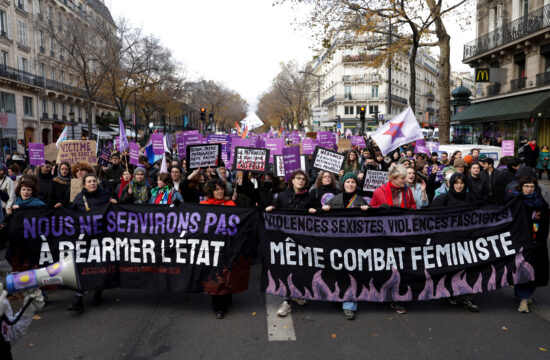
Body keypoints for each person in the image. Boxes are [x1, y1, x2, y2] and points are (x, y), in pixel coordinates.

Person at [265, 170, 316, 317]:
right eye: (298, 178)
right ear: (292, 181)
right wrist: (272, 208)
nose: (301, 181)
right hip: (284, 239)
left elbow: (317, 211)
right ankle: (286, 301)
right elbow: (274, 206)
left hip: (302, 240)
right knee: (286, 268)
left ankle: (298, 293)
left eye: (303, 180)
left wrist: (314, 210)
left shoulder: (309, 197)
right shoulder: (282, 195)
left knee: (301, 267)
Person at [431, 173, 480, 312]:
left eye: (462, 183)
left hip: (467, 241)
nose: (459, 186)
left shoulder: (471, 198)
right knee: (451, 270)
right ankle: (450, 293)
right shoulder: (443, 199)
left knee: (468, 270)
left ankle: (467, 298)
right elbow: (431, 218)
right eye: (456, 183)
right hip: (447, 242)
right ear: (451, 184)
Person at [322, 172, 368, 320]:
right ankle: (337, 297)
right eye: (347, 182)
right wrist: (324, 210)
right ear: (343, 184)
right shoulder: (333, 200)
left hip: (355, 244)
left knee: (352, 274)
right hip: (336, 243)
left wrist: (368, 212)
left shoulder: (361, 201)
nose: (350, 184)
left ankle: (349, 304)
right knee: (336, 271)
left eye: (353, 182)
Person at [69, 174, 117, 312]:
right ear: (84, 185)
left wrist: (114, 203)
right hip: (85, 237)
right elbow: (72, 213)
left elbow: (114, 210)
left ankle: (98, 291)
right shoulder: (79, 198)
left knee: (99, 264)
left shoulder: (106, 195)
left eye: (94, 181)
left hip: (102, 237)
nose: (92, 183)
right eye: (89, 182)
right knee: (82, 265)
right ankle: (78, 298)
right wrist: (60, 208)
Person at [510, 176, 549, 313]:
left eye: (532, 186)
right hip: (521, 243)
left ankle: (527, 294)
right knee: (523, 271)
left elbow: (545, 221)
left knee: (538, 272)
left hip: (537, 242)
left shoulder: (541, 203)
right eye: (526, 186)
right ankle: (523, 299)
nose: (529, 189)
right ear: (521, 187)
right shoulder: (515, 201)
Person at [200, 178, 237, 319]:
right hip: (211, 247)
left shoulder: (231, 204)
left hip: (228, 246)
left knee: (227, 273)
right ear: (210, 191)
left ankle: (227, 297)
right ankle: (218, 308)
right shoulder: (203, 206)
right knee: (215, 275)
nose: (220, 191)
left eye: (221, 188)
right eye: (216, 189)